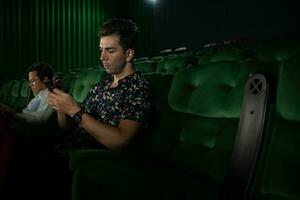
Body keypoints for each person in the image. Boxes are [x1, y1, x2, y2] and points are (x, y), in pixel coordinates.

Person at [48, 18, 152, 151]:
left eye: (110, 50)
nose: (102, 57)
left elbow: (121, 140)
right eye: (101, 50)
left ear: (129, 54)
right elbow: (68, 126)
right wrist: (61, 105)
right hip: (69, 149)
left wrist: (75, 110)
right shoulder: (100, 87)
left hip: (93, 160)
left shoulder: (138, 88)